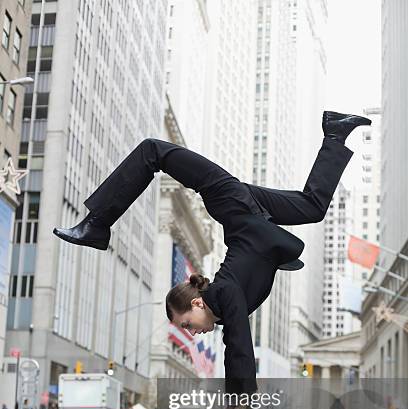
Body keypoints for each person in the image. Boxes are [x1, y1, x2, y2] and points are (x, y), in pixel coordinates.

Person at [53, 111, 370, 394]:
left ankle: (97, 224)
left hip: (232, 202)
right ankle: (335, 132)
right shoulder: (222, 301)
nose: (191, 332)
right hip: (251, 213)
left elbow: (239, 348)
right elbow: (235, 342)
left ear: (196, 302)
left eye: (187, 323)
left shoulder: (224, 293)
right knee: (311, 207)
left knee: (154, 150)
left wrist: (239, 404)